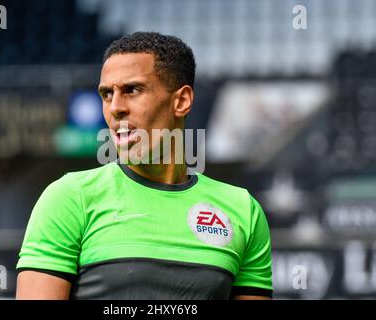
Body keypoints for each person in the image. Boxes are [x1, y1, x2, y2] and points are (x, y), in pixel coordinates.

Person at [16, 32, 273, 300]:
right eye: (106, 94)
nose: (115, 107)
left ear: (182, 101)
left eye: (132, 90)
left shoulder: (243, 210)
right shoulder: (69, 198)